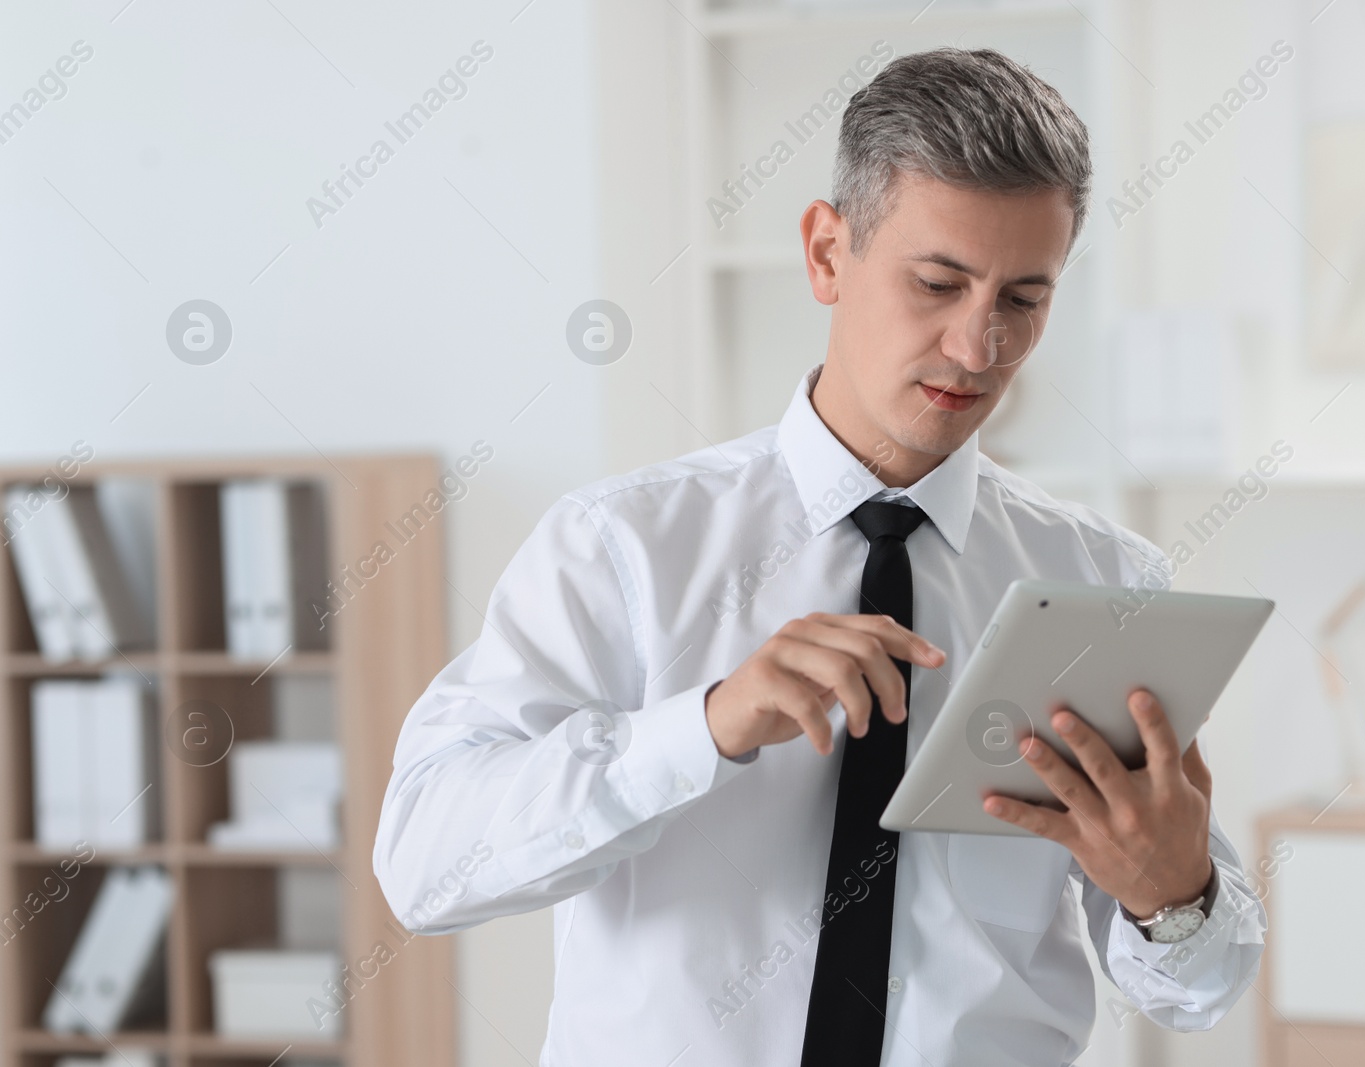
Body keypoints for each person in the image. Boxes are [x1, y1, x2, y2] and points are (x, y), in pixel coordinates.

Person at [374, 45, 1265, 1067]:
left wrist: (1172, 894)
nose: (979, 348)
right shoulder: (620, 547)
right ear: (826, 252)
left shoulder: (1107, 583)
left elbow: (1200, 991)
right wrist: (703, 726)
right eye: (937, 283)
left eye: (1023, 298)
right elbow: (425, 868)